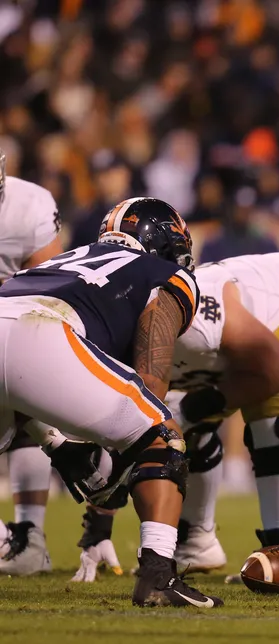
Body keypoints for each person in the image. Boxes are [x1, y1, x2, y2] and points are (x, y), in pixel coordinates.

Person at [69, 252, 279, 581]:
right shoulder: (117, 332)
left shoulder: (196, 316)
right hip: (220, 342)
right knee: (174, 428)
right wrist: (99, 527)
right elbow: (125, 432)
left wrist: (189, 410)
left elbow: (274, 372)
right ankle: (198, 540)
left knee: (270, 415)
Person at [0, 197, 222, 608]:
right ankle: (158, 575)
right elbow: (150, 377)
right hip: (44, 331)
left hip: (12, 313)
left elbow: (10, 363)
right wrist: (132, 453)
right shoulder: (167, 273)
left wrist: (57, 443)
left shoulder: (63, 258)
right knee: (162, 436)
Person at [0, 149, 66, 576]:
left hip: (12, 319)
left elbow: (48, 289)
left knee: (31, 403)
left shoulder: (29, 206)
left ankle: (30, 538)